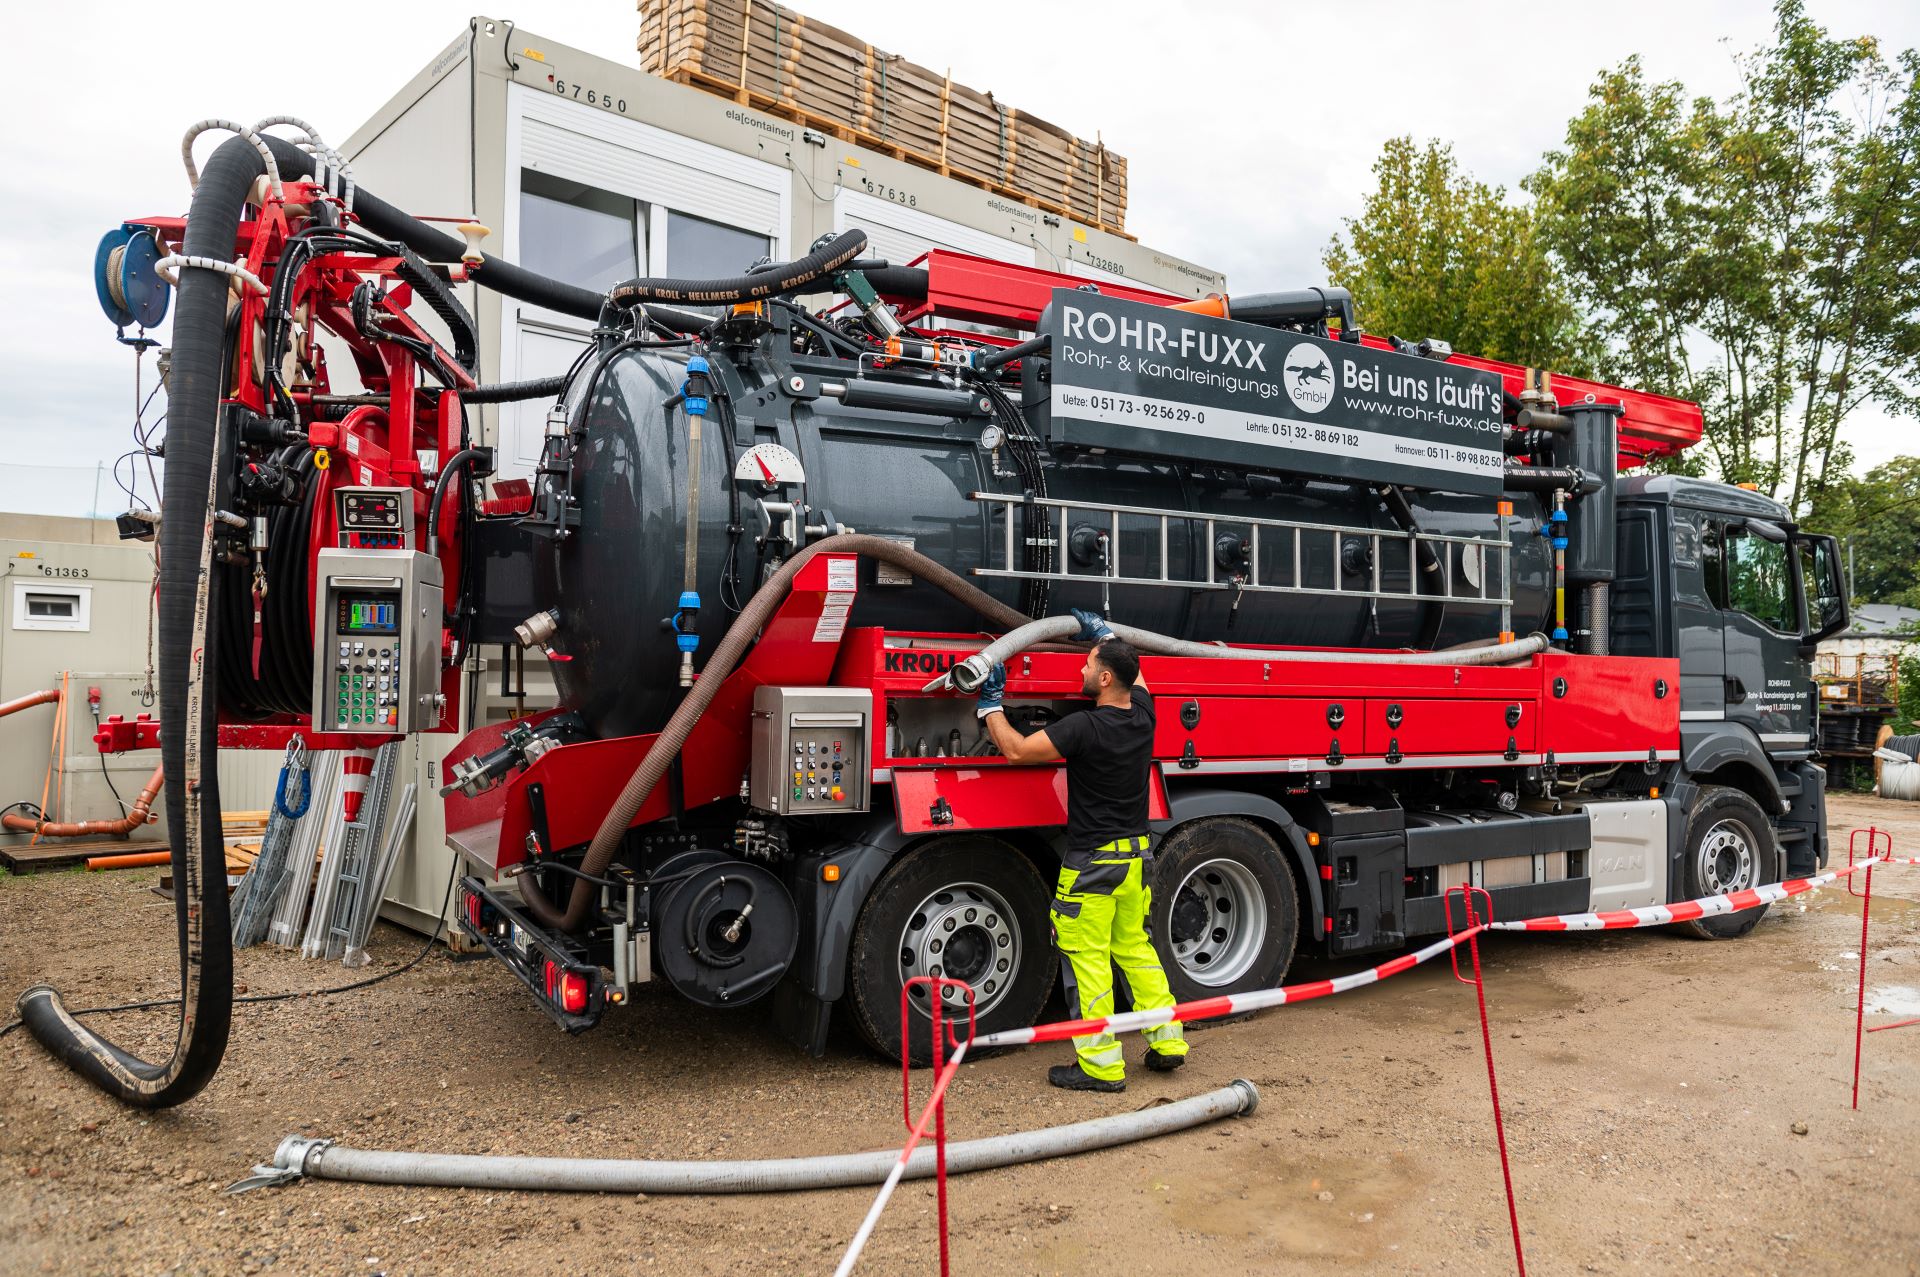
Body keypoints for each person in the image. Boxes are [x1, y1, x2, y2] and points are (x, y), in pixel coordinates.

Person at [975, 609, 1188, 1091]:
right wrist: (1106, 634)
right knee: (1135, 948)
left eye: (1089, 663)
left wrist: (990, 706)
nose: (1081, 670)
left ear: (1106, 677)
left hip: (1092, 864)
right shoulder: (1143, 715)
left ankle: (1101, 1067)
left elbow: (1016, 751)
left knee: (1087, 959)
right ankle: (1168, 1041)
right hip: (1136, 860)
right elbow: (1141, 678)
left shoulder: (1084, 729)